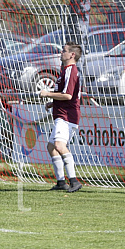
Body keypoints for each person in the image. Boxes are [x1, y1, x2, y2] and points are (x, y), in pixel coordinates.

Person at [40, 42, 83, 193]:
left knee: (59, 145)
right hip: (61, 113)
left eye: (64, 51)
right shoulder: (65, 71)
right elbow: (67, 95)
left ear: (72, 55)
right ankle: (61, 182)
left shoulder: (71, 70)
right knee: (51, 147)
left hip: (67, 115)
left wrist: (47, 93)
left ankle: (74, 181)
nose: (61, 53)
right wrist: (53, 103)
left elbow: (68, 95)